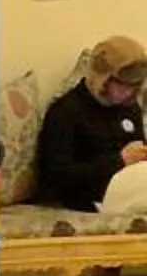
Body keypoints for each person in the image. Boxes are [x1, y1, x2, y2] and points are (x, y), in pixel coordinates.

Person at [36, 35, 147, 212]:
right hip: (90, 195)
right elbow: (56, 178)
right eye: (121, 85)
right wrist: (119, 161)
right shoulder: (65, 112)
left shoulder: (130, 109)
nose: (128, 93)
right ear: (103, 78)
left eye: (133, 86)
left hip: (131, 184)